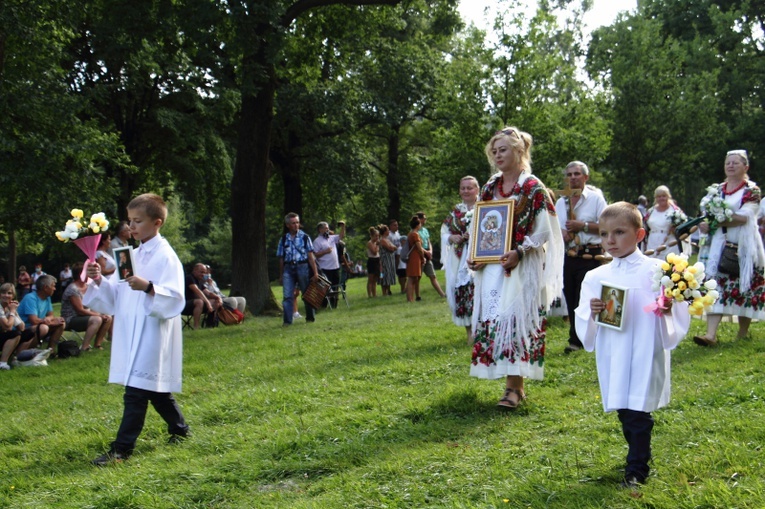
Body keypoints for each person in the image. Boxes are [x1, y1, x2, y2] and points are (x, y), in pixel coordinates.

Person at [575, 202, 691, 487]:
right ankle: (637, 452)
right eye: (604, 234)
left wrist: (667, 309)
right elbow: (583, 316)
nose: (610, 240)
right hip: (614, 349)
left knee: (639, 411)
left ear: (639, 235)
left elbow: (677, 308)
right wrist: (592, 309)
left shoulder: (658, 271)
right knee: (625, 409)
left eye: (619, 232)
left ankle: (636, 468)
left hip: (643, 346)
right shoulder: (596, 276)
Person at [84, 193, 189, 466]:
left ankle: (121, 450)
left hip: (152, 329)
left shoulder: (167, 256)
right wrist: (98, 281)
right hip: (131, 328)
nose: (131, 227)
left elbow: (176, 296)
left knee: (136, 392)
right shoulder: (128, 255)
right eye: (130, 221)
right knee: (151, 388)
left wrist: (150, 287)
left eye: (138, 221)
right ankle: (180, 429)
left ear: (157, 223)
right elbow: (118, 294)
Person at [468, 127, 563, 409]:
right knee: (497, 321)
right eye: (494, 151)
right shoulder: (489, 187)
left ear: (519, 151)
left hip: (522, 266)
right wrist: (474, 254)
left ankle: (514, 388)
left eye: (503, 150)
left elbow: (546, 230)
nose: (497, 155)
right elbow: (479, 225)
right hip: (492, 269)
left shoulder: (533, 187)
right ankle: (509, 384)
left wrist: (520, 251)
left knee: (515, 320)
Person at [693, 149, 765, 346]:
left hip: (743, 245)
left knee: (744, 287)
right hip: (717, 245)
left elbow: (745, 217)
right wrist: (705, 224)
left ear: (746, 167)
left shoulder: (752, 190)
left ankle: (743, 333)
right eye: (728, 162)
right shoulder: (716, 191)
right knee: (715, 285)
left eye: (736, 162)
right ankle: (710, 335)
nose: (731, 165)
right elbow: (707, 215)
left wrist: (718, 219)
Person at [555, 161, 608, 353]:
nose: (573, 178)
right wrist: (563, 233)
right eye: (569, 175)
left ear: (585, 177)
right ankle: (576, 337)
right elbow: (557, 226)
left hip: (590, 254)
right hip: (569, 254)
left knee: (585, 296)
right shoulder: (562, 202)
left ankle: (585, 338)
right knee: (570, 297)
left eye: (576, 174)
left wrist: (582, 226)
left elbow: (606, 226)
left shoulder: (595, 199)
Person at [441, 175, 479, 345]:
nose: (466, 191)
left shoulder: (484, 206)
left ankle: (483, 329)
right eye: (463, 188)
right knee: (463, 292)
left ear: (477, 189)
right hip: (459, 257)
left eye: (469, 188)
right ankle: (469, 331)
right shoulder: (455, 212)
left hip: (479, 256)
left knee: (477, 291)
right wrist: (452, 238)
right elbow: (444, 231)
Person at [277, 212, 319, 326]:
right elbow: (281, 258)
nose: (296, 225)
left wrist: (315, 273)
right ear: (287, 225)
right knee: (287, 296)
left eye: (297, 222)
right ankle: (287, 321)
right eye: (293, 223)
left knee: (306, 293)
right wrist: (281, 275)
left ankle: (310, 318)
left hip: (302, 267)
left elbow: (311, 256)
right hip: (288, 268)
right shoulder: (283, 239)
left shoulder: (305, 237)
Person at [60, 262, 112, 351]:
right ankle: (85, 346)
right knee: (97, 319)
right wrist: (99, 315)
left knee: (108, 317)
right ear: (81, 274)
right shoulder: (72, 289)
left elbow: (94, 304)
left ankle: (98, 344)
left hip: (84, 317)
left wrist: (101, 314)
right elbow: (80, 310)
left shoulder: (88, 286)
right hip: (71, 319)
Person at [17, 275, 66, 354]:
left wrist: (49, 319)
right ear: (45, 287)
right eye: (53, 286)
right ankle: (26, 351)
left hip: (38, 325)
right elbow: (34, 321)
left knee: (61, 323)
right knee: (43, 328)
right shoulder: (30, 298)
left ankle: (51, 351)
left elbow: (51, 315)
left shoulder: (47, 298)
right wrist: (50, 322)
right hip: (23, 329)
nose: (54, 289)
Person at [643, 185, 689, 258]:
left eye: (664, 196)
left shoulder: (675, 211)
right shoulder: (651, 211)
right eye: (659, 196)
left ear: (668, 196)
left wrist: (675, 228)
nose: (661, 198)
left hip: (669, 242)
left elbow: (683, 227)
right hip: (652, 241)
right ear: (655, 198)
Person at [0, 283, 37, 369]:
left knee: (29, 333)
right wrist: (12, 311)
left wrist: (14, 312)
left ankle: (16, 359)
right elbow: (7, 327)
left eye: (9, 293)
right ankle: (2, 363)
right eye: (3, 292)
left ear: (13, 296)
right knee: (15, 334)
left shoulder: (8, 308)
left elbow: (21, 327)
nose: (6, 295)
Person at [313, 220, 346, 307]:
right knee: (325, 288)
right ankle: (323, 305)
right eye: (325, 229)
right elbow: (315, 254)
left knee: (335, 286)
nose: (327, 230)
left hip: (335, 267)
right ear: (320, 230)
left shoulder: (331, 238)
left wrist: (343, 227)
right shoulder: (317, 241)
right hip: (325, 268)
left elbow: (341, 236)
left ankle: (334, 304)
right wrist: (325, 252)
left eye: (328, 228)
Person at [415, 212, 446, 298]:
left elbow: (428, 242)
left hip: (427, 255)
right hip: (420, 254)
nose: (425, 220)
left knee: (432, 275)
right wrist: (426, 252)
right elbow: (417, 245)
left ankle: (442, 294)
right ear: (419, 219)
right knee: (418, 277)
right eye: (424, 218)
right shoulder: (415, 231)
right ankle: (417, 296)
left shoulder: (425, 230)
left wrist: (430, 251)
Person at [184, 263, 220, 329]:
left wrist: (217, 297)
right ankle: (196, 327)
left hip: (196, 304)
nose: (203, 274)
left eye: (204, 272)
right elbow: (198, 291)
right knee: (199, 302)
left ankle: (210, 325)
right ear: (195, 270)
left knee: (215, 301)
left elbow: (208, 293)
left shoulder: (200, 281)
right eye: (201, 272)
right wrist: (208, 303)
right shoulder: (189, 278)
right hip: (184, 304)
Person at [405, 216, 426, 303]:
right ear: (417, 225)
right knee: (412, 278)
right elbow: (419, 248)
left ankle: (411, 298)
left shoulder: (411, 234)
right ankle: (410, 298)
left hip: (414, 257)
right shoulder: (415, 234)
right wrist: (423, 257)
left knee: (414, 278)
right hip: (415, 257)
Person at [378, 224, 397, 296]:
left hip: (390, 260)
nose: (389, 231)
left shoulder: (387, 240)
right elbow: (391, 248)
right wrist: (393, 247)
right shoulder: (382, 240)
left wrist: (393, 247)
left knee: (389, 274)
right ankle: (384, 292)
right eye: (388, 230)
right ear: (384, 232)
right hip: (385, 261)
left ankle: (389, 290)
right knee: (384, 275)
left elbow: (395, 247)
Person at [366, 227, 381, 298]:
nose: (377, 237)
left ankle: (374, 294)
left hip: (377, 260)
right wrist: (377, 245)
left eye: (378, 236)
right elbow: (374, 252)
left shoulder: (376, 243)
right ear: (372, 236)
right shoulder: (370, 243)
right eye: (376, 236)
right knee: (370, 279)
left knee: (375, 279)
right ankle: (369, 294)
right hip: (372, 261)